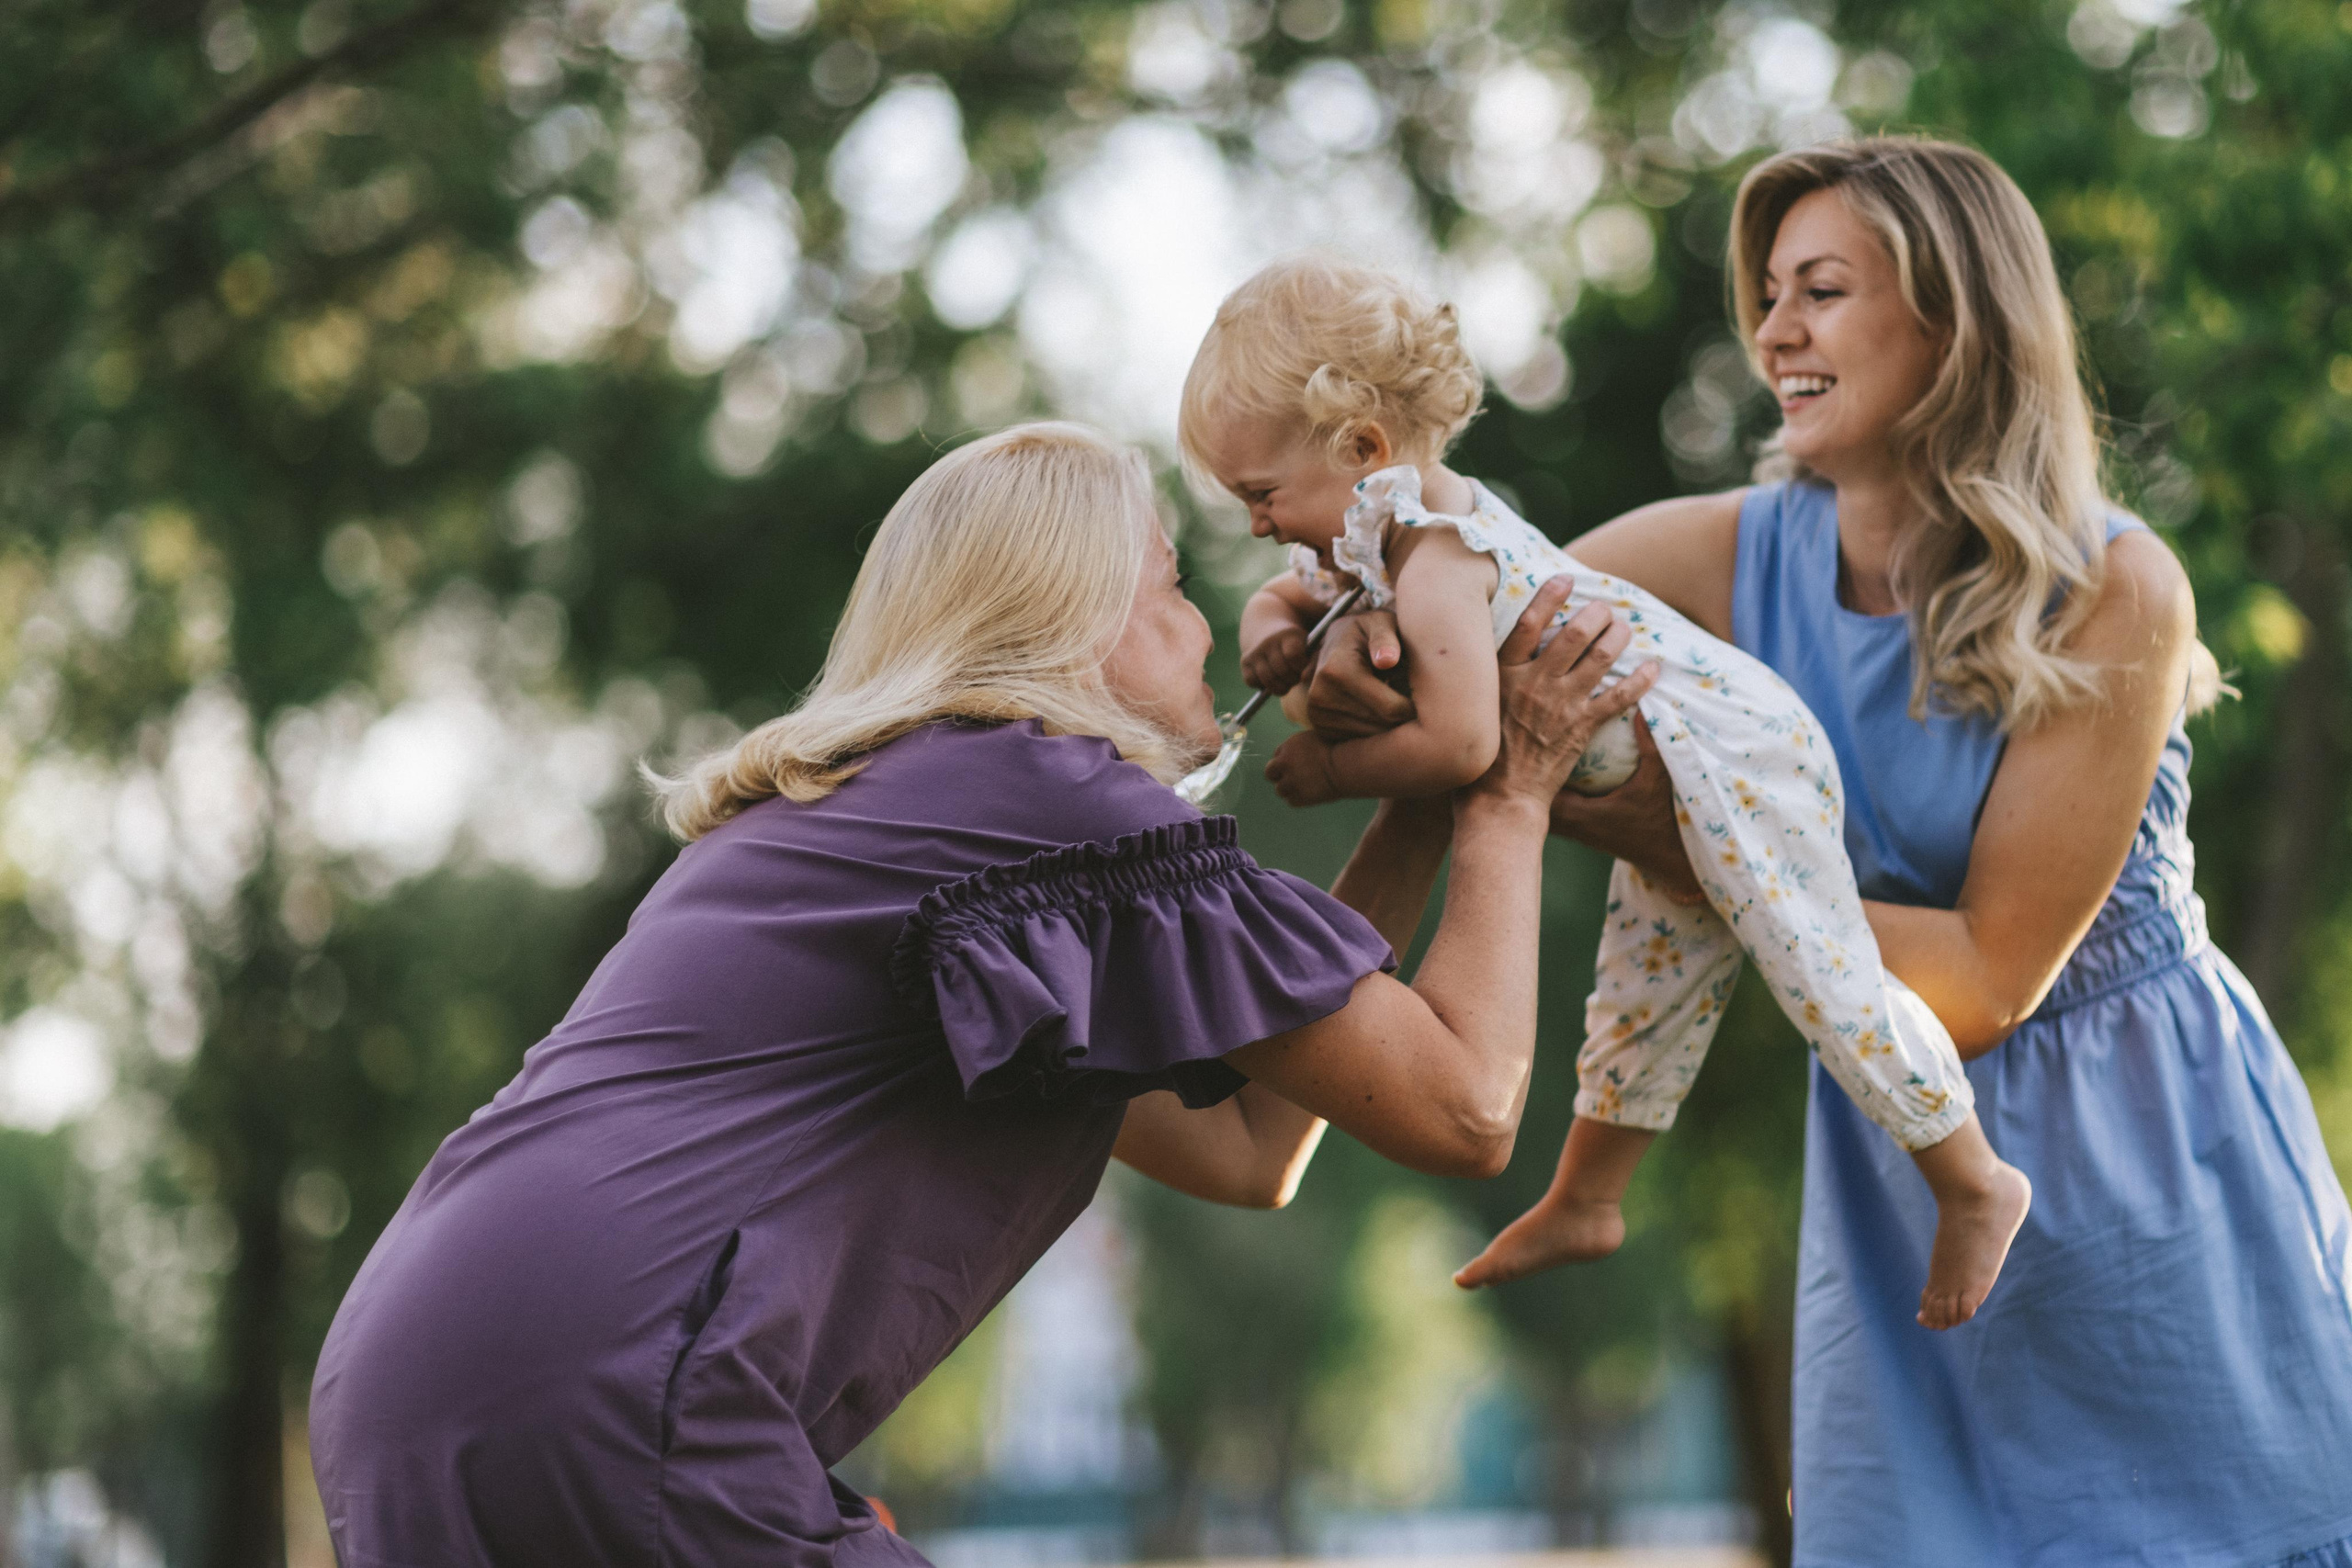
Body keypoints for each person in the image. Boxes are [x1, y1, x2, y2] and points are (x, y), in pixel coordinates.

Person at [305, 422, 1651, 1567]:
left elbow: (1252, 1144)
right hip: (609, 1384)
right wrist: (1509, 781)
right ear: (1066, 612)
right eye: (1170, 585)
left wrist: (1412, 791)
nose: (1203, 628)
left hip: (419, 1379)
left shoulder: (879, 813)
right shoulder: (1049, 802)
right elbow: (1468, 1105)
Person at [1303, 138, 2352, 1565]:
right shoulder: (1730, 553)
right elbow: (1472, 588)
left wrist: (1642, 819)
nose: (1773, 331)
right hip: (1897, 1161)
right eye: (1769, 293)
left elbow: (1986, 979)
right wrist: (1326, 633)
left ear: (1954, 320)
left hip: (2137, 1166)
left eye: (1823, 290)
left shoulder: (2112, 588)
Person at [1180, 256, 2027, 1330]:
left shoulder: (1442, 556)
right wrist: (1269, 639)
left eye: (1259, 496)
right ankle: (1587, 1198)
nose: (1254, 524)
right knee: (1648, 976)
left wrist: (1332, 771)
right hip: (1668, 764)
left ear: (1361, 452)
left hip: (1735, 751)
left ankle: (1968, 1174)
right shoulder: (1370, 529)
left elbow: (1456, 745)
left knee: (1814, 960)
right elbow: (1285, 593)